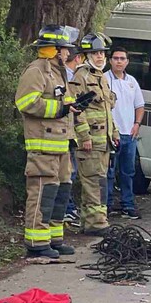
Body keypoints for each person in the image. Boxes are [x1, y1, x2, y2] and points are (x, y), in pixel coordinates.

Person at [14, 25, 79, 259]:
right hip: (43, 146)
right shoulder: (37, 71)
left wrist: (72, 106)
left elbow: (64, 101)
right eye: (64, 49)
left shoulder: (58, 72)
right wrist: (60, 108)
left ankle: (53, 238)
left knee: (60, 193)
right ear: (54, 49)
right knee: (42, 193)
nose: (67, 54)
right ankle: (36, 243)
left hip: (61, 145)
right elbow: (26, 102)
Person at [70, 32, 119, 236]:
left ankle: (91, 221)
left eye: (102, 53)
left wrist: (114, 132)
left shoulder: (101, 78)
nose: (100, 57)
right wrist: (84, 138)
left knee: (98, 181)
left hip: (103, 142)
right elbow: (75, 110)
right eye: (96, 53)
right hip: (90, 143)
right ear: (87, 55)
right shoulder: (80, 77)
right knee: (93, 182)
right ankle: (96, 224)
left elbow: (107, 110)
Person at [104, 47, 145, 219]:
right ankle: (106, 205)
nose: (119, 61)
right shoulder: (104, 79)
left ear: (127, 61)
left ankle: (127, 204)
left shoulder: (132, 81)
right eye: (115, 58)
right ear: (110, 60)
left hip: (129, 134)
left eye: (122, 58)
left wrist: (137, 124)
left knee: (128, 172)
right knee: (109, 173)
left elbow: (140, 105)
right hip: (112, 134)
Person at [63, 46, 84, 228]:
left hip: (70, 133)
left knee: (70, 172)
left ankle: (68, 208)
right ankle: (67, 209)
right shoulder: (68, 78)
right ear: (78, 58)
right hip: (63, 134)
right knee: (67, 173)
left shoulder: (69, 76)